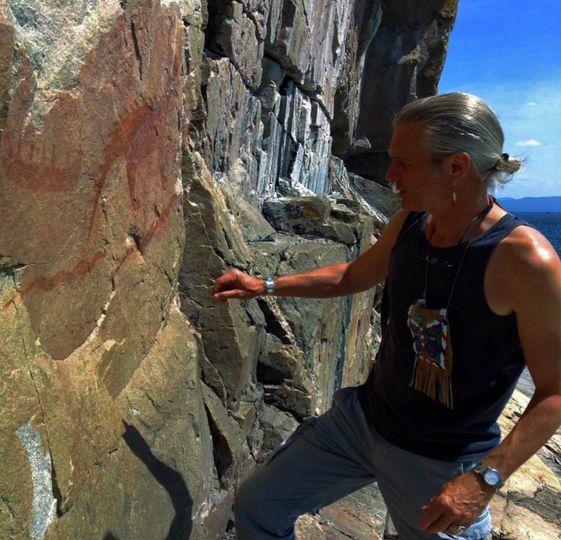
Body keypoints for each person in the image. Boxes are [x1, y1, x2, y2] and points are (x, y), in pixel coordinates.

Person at [210, 93, 561, 539]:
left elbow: (554, 392)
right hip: (360, 424)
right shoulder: (413, 221)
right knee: (260, 505)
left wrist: (485, 479)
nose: (390, 175)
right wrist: (266, 285)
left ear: (457, 166)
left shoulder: (525, 260)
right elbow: (353, 275)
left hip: (440, 462)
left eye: (403, 162)